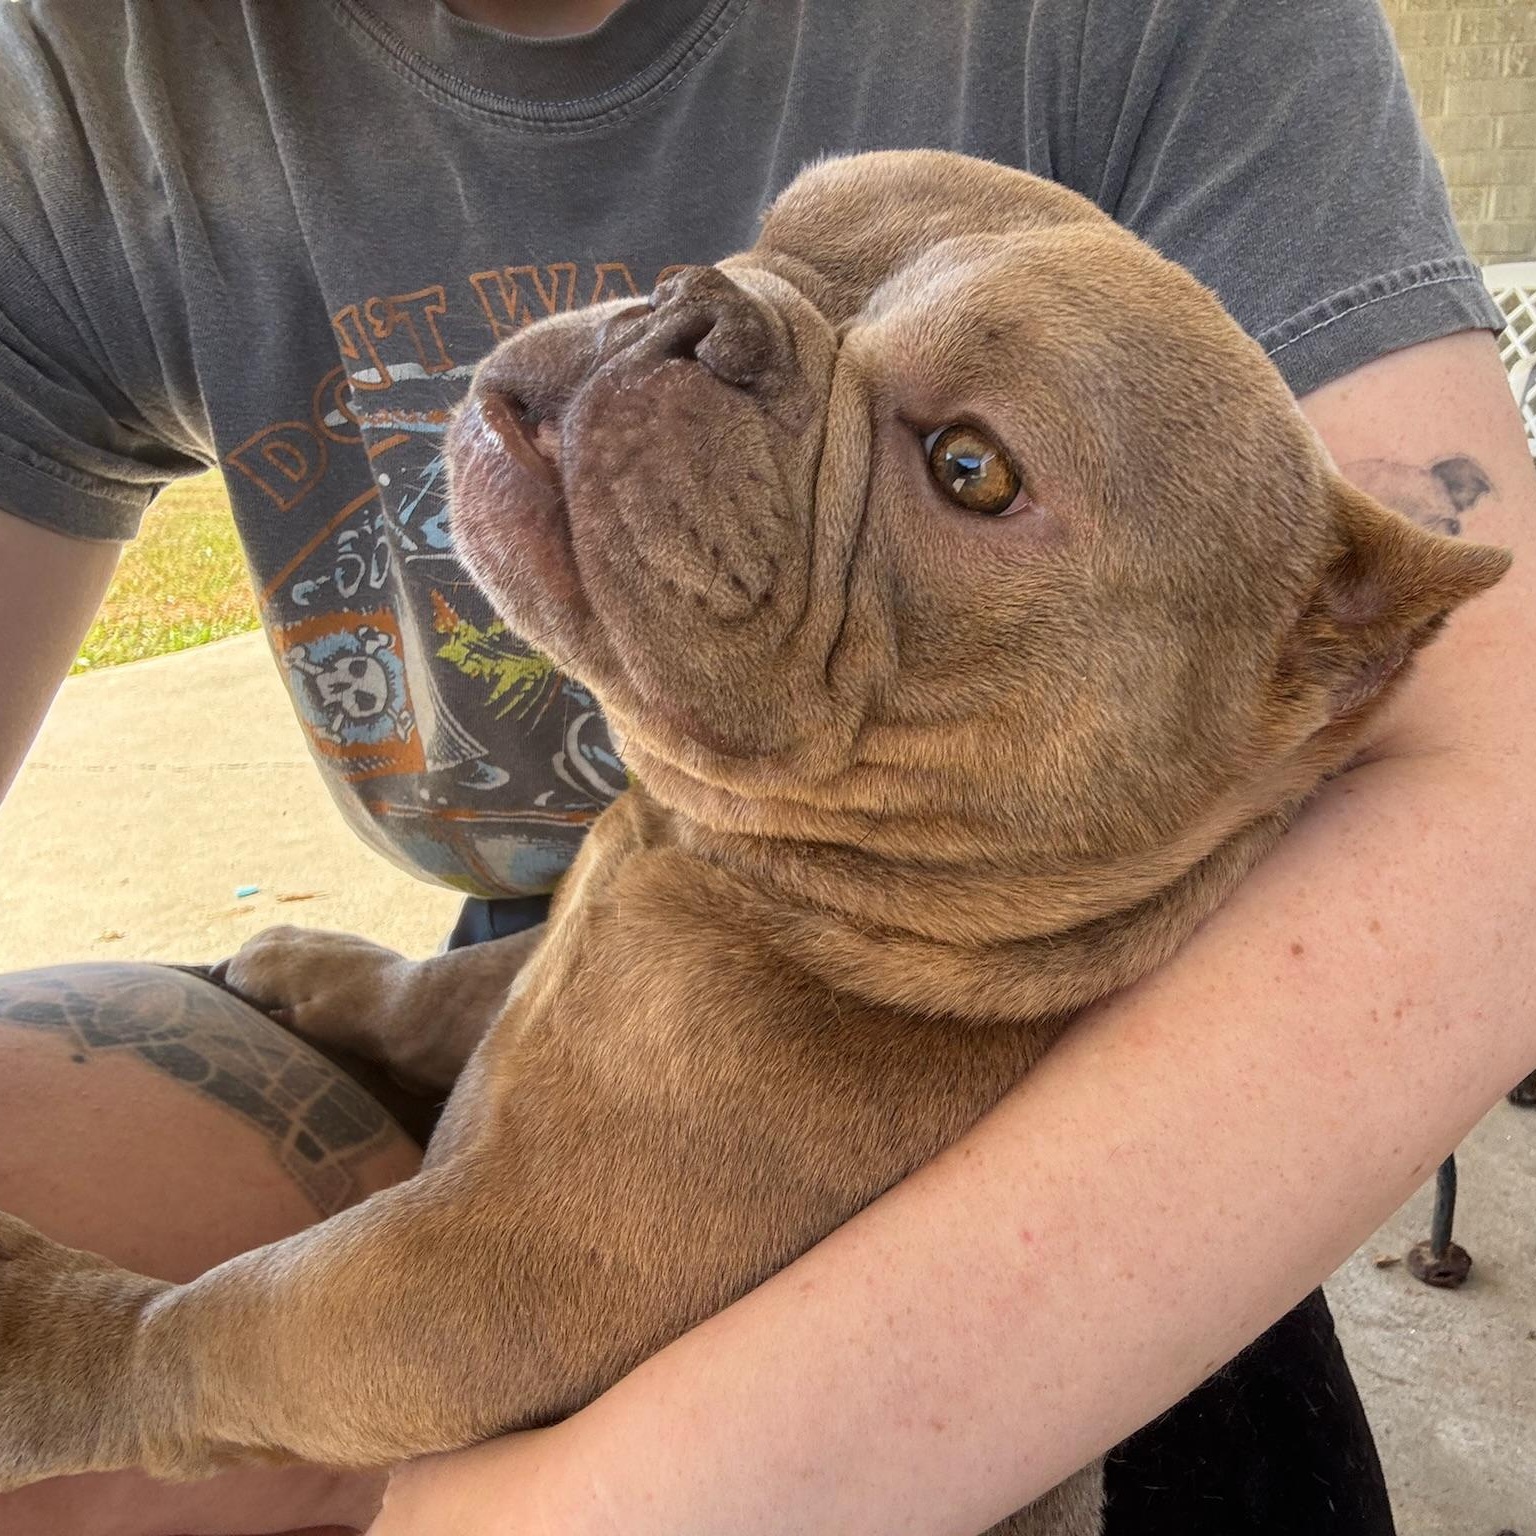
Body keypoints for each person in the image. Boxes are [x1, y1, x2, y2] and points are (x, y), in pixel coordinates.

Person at [1, 1, 1532, 1533]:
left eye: (965, 468)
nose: (680, 344)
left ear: (1315, 660)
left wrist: (128, 1360)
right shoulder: (90, 75)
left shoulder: (893, 983)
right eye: (770, 261)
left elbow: (480, 1302)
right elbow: (641, 929)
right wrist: (411, 1011)